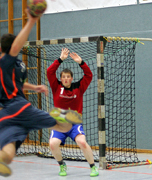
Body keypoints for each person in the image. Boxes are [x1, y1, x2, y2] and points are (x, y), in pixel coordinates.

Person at [0, 11, 82, 177]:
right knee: (65, 124)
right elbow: (15, 47)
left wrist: (35, 87)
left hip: (6, 116)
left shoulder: (15, 66)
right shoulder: (6, 61)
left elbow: (18, 85)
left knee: (7, 157)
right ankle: (57, 112)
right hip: (20, 108)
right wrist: (31, 21)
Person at [47, 48, 99, 177]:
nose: (65, 79)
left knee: (81, 142)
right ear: (61, 79)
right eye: (63, 77)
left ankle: (93, 167)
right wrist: (60, 60)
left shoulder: (79, 87)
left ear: (71, 78)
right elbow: (49, 71)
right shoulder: (56, 87)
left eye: (68, 77)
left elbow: (89, 75)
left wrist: (80, 62)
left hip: (75, 123)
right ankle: (62, 165)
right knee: (52, 144)